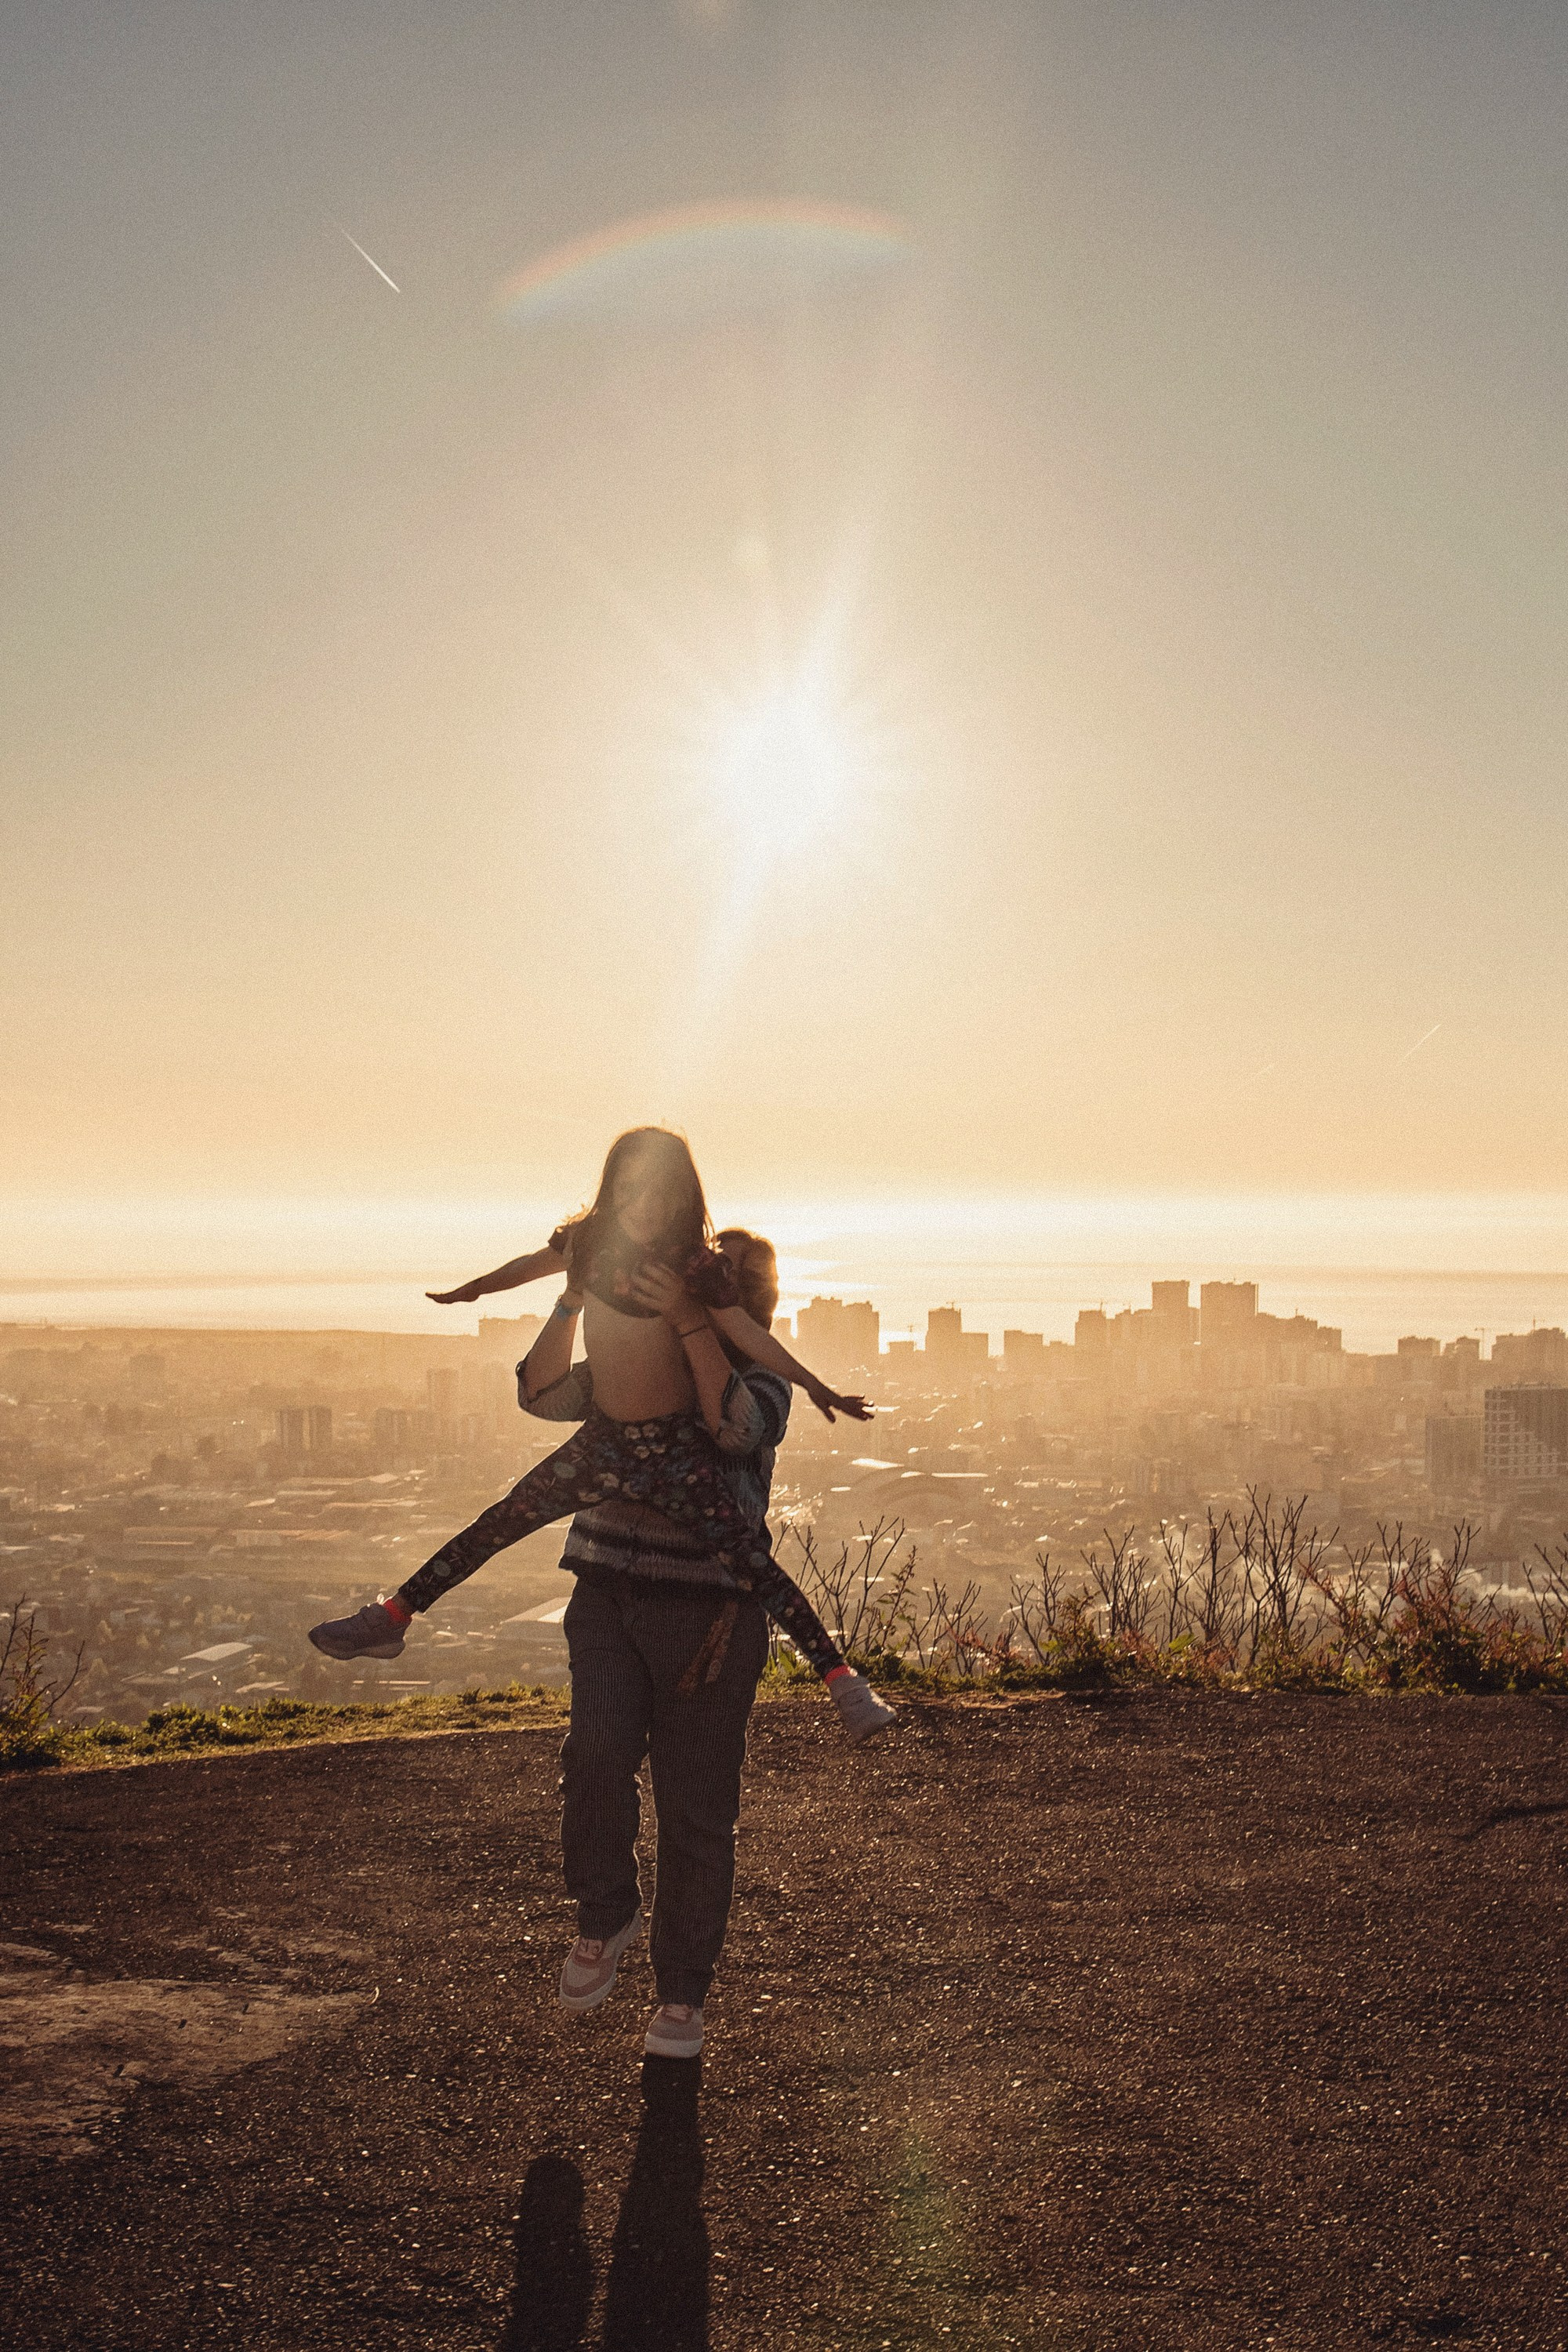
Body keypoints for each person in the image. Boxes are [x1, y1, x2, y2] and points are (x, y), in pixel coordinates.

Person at [308, 1131, 895, 1734]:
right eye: (631, 1188)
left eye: (662, 1193)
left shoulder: (697, 1266)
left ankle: (845, 1686)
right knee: (500, 1522)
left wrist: (816, 1386)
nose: (645, 1204)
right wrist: (476, 1289)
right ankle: (392, 1619)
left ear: (684, 1199)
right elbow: (531, 1266)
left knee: (753, 1563)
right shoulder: (588, 1244)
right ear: (610, 1189)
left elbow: (748, 1335)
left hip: (675, 1450)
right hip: (604, 1443)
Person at [525, 1226, 840, 2058]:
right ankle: (604, 1914)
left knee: (695, 1813)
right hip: (604, 1591)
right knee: (592, 1757)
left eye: (733, 1280)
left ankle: (681, 1995)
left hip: (710, 1616)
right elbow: (544, 1393)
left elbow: (733, 1429)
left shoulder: (761, 1378)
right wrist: (572, 1291)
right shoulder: (630, 1367)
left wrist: (698, 1326)